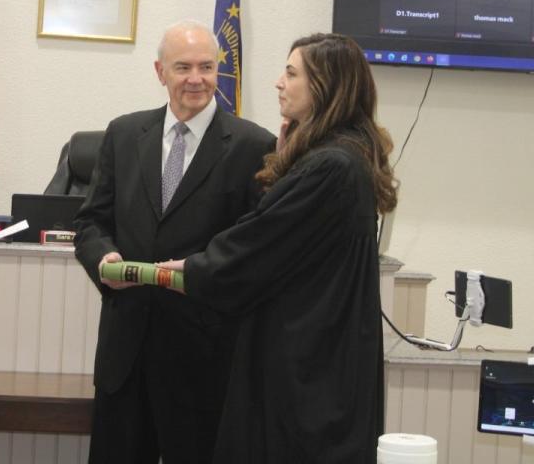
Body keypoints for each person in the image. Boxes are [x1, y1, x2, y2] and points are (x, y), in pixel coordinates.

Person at [160, 34, 399, 463]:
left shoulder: (332, 165)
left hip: (307, 373)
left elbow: (262, 242)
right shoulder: (342, 156)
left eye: (291, 73)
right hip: (321, 361)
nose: (278, 83)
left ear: (325, 86)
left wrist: (194, 269)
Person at [74, 20, 275, 464]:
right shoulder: (124, 134)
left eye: (207, 66)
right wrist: (102, 258)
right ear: (159, 71)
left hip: (204, 362)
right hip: (125, 359)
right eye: (182, 67)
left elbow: (255, 250)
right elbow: (90, 222)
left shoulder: (254, 145)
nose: (196, 79)